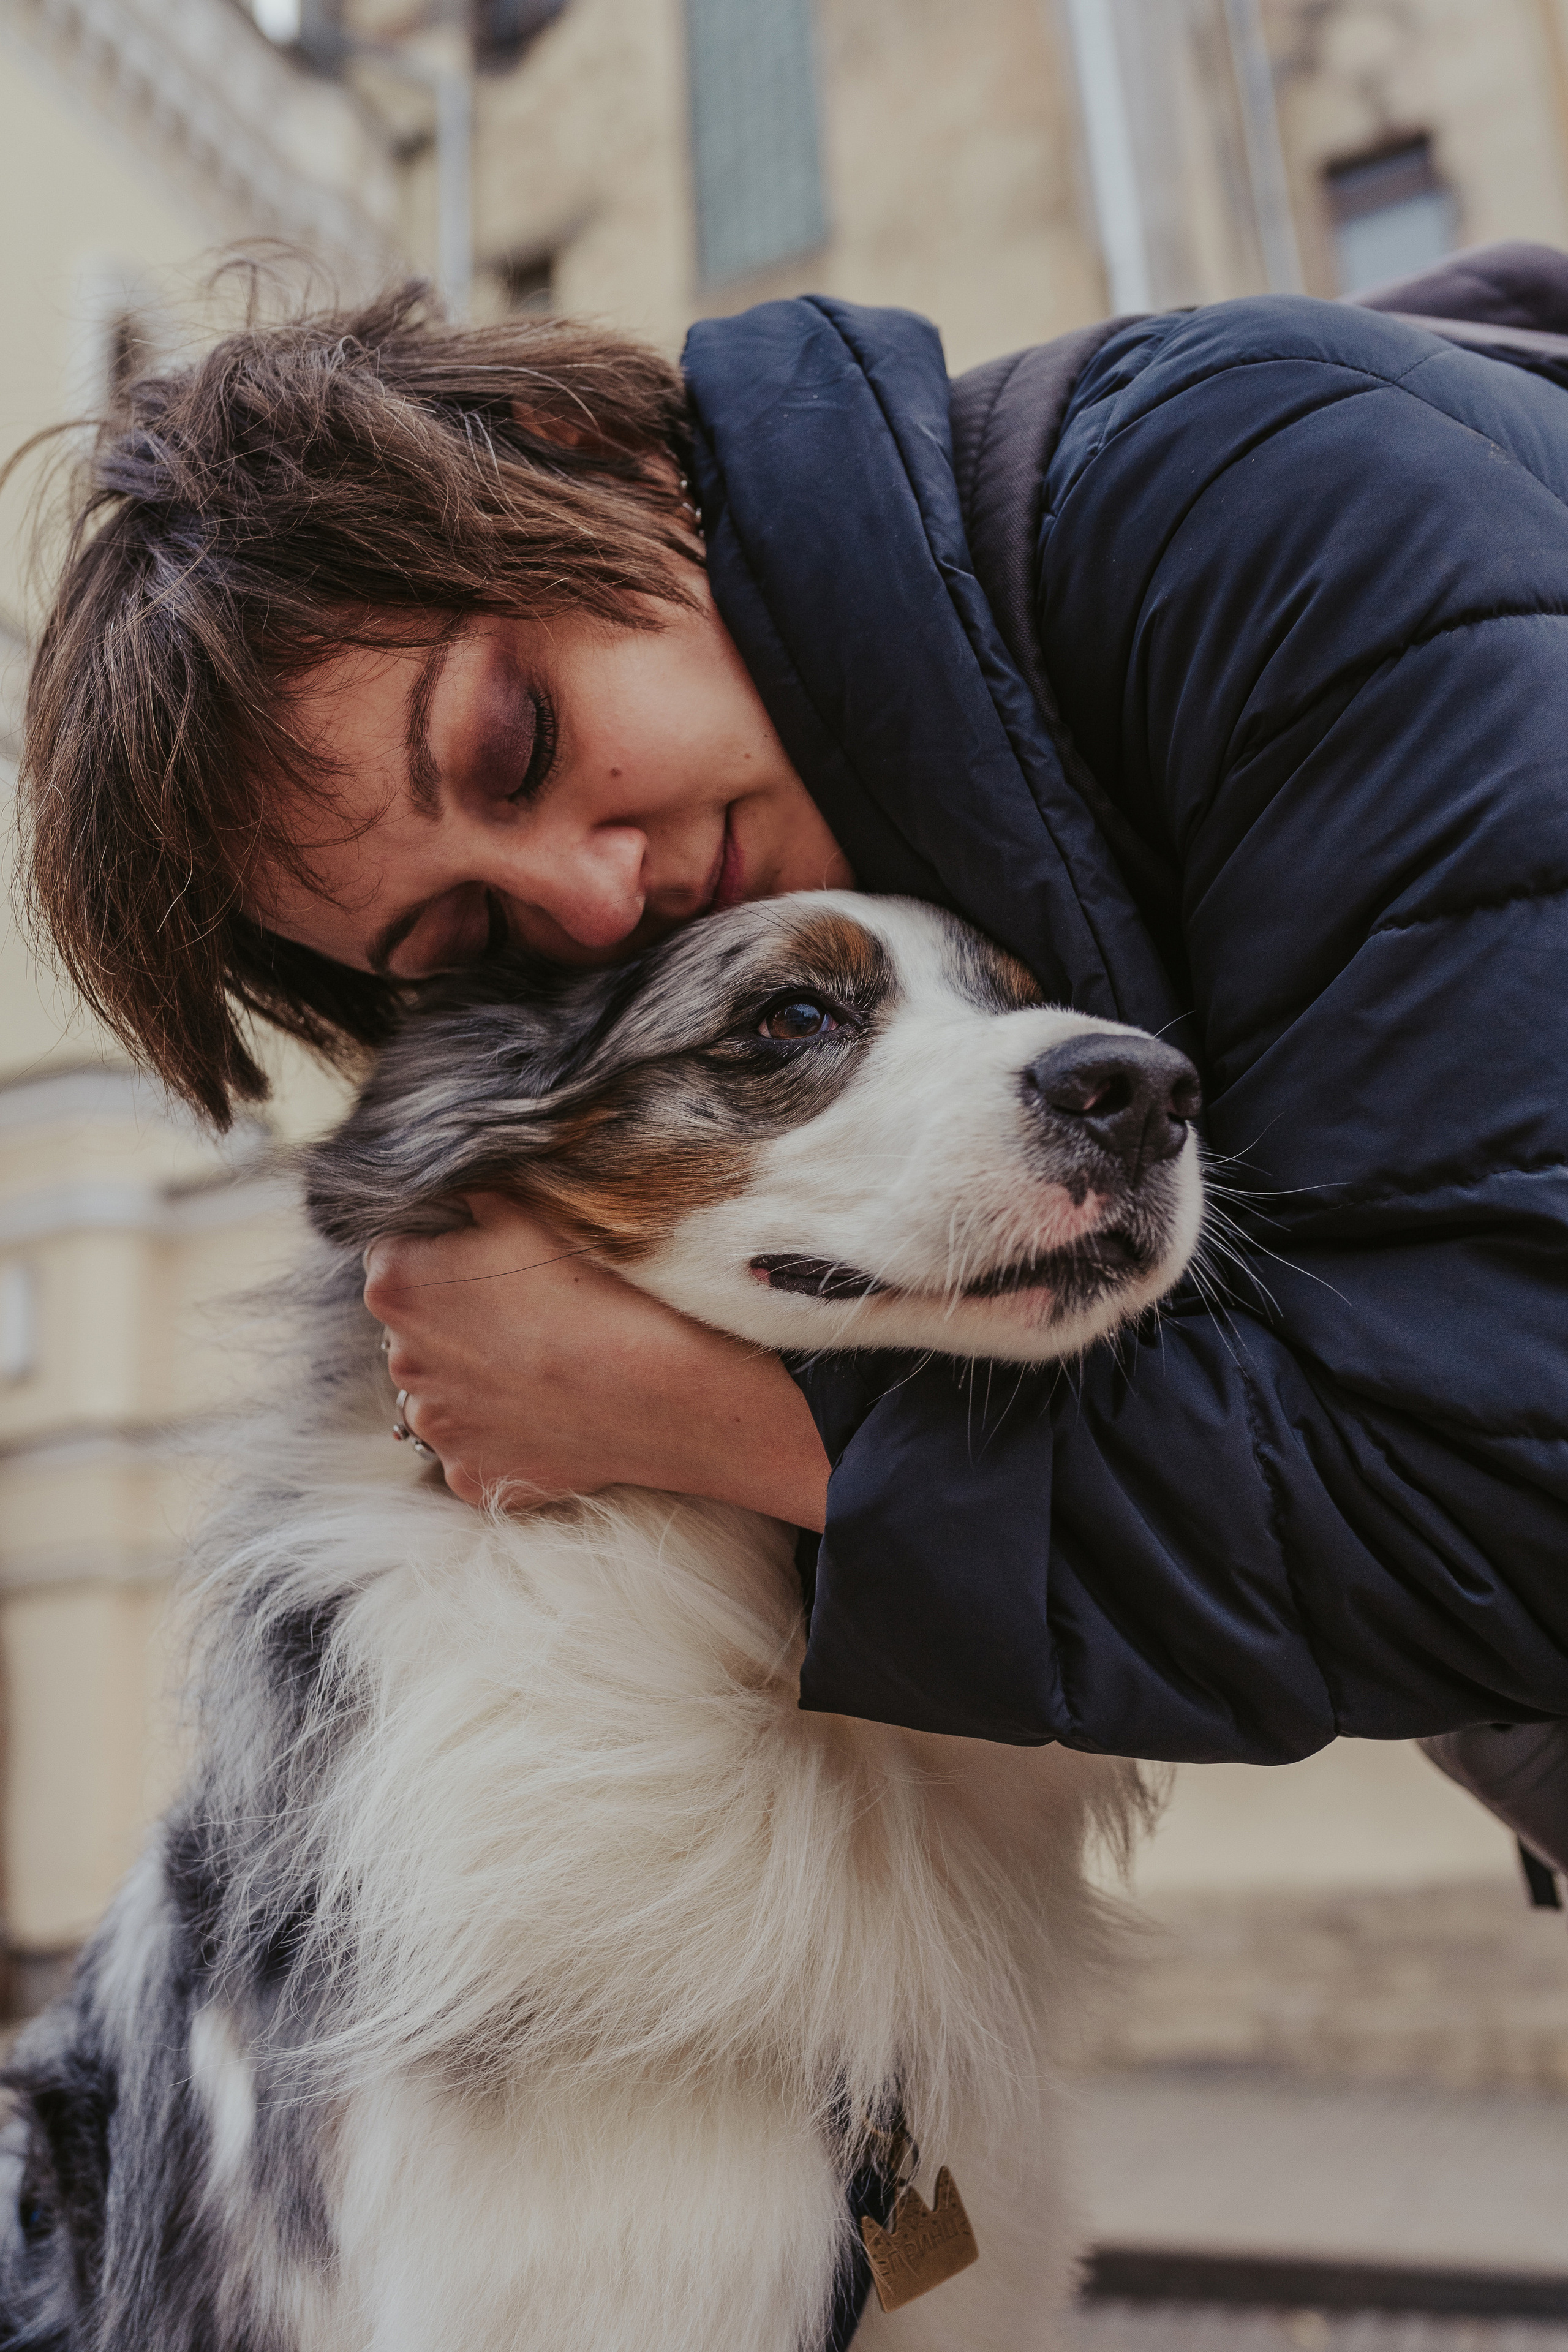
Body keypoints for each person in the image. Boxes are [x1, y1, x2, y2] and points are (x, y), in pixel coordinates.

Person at [18, 248, 1568, 1773]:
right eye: (469, 924)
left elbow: (1503, 1508)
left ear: (600, 465)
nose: (593, 903)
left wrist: (702, 1416)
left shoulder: (1268, 515)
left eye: (522, 739)